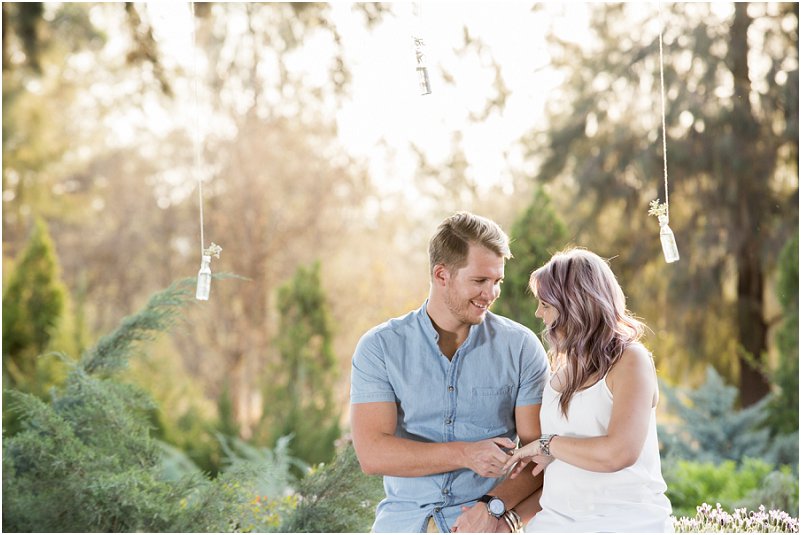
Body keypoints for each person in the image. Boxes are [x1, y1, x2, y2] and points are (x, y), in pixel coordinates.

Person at [350, 211, 550, 533]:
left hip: (485, 524)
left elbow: (539, 456)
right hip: (403, 523)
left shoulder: (521, 348)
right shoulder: (380, 347)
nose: (492, 294)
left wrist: (493, 507)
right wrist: (466, 454)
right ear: (442, 275)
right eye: (480, 281)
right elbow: (372, 453)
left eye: (497, 281)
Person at [502, 247, 673, 532]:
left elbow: (618, 453)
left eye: (545, 304)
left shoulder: (631, 360)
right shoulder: (559, 372)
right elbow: (563, 478)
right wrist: (509, 519)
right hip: (554, 525)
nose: (538, 313)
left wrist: (548, 444)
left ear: (574, 304)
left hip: (626, 524)